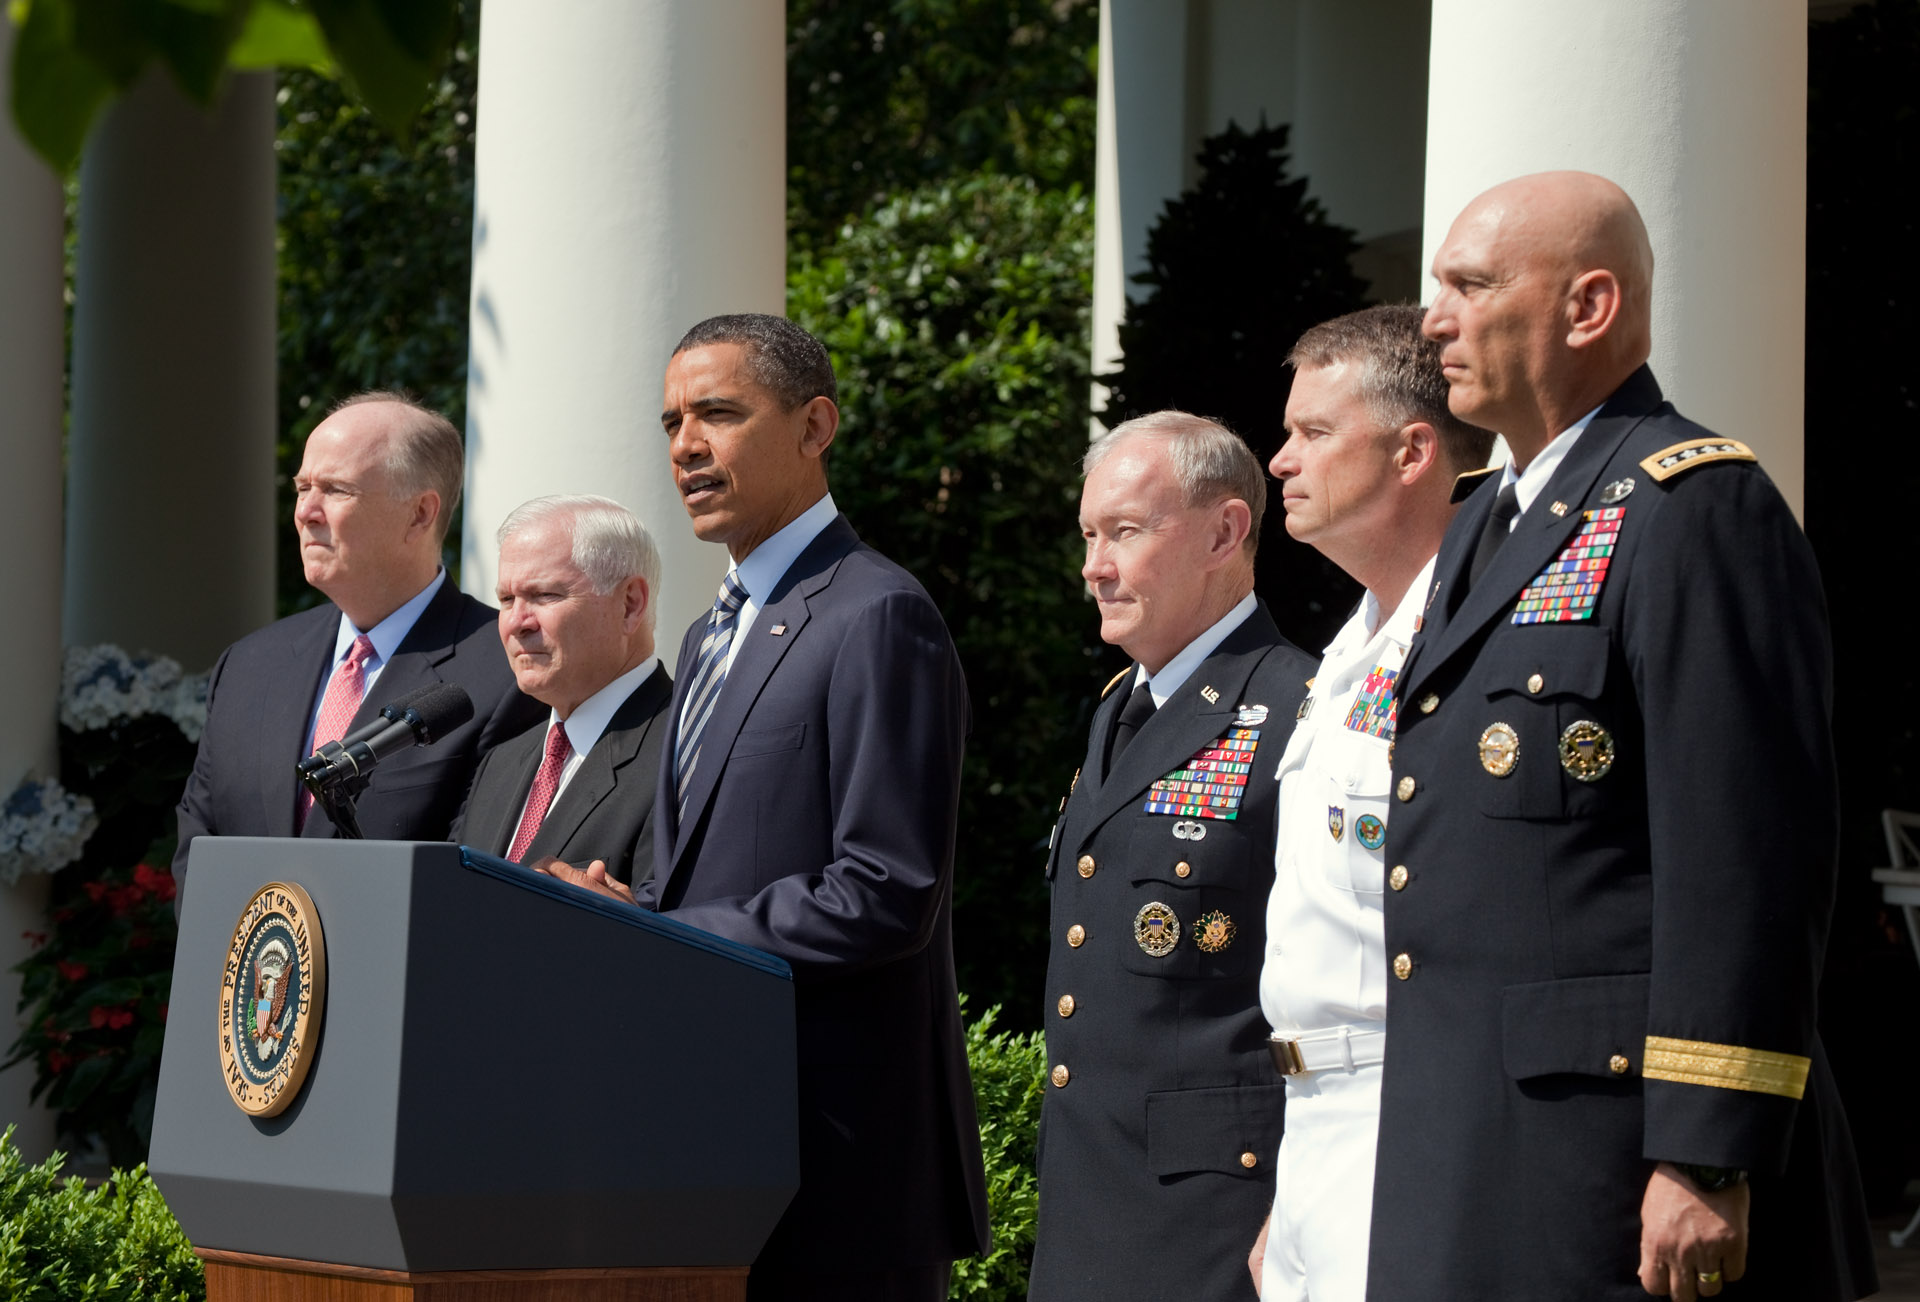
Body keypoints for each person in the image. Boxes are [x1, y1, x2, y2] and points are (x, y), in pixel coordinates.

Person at [1370, 171, 1876, 1301]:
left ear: (1587, 307)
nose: (1433, 318)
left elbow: (1745, 857)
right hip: (1472, 1135)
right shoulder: (1482, 522)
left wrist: (1707, 1148)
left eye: (1470, 283)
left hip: (1616, 1160)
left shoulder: (1693, 507)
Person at [543, 314, 988, 1301]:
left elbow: (887, 888)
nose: (685, 447)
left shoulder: (878, 614)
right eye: (671, 422)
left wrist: (665, 936)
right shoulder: (707, 634)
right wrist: (636, 911)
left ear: (815, 425)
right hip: (717, 1149)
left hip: (839, 1171)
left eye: (719, 414)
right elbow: (706, 868)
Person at [1027, 412, 1314, 1302]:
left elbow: (1339, 986)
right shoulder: (1120, 708)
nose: (1094, 566)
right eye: (1088, 535)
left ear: (1226, 532)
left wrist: (1300, 1208)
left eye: (1125, 533)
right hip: (1088, 1202)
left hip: (1216, 1223)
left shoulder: (1302, 707)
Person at [1242, 305, 1492, 1302]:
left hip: (1411, 1113)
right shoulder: (1352, 647)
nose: (1278, 461)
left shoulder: (1470, 643)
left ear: (1411, 452)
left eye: (1313, 433)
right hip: (1313, 1121)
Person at [174, 393, 544, 909]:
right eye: (303, 487)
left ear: (419, 513)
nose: (305, 511)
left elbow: (472, 876)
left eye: (335, 490)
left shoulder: (506, 672)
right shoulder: (249, 665)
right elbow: (199, 852)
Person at [451, 495, 672, 886]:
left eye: (545, 595)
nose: (516, 623)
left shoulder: (686, 750)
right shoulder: (501, 763)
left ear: (630, 605)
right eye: (506, 599)